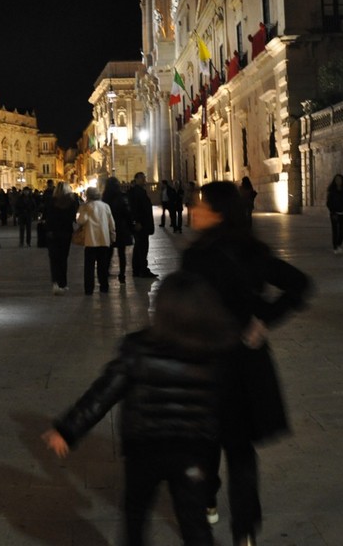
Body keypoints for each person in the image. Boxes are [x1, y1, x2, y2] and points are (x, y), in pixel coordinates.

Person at [43, 271, 242, 546]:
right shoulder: (215, 351)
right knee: (194, 521)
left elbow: (102, 394)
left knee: (136, 515)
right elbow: (228, 403)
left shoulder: (137, 348)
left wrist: (68, 430)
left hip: (144, 450)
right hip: (193, 453)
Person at [182, 181, 310, 546]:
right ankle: (245, 533)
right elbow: (299, 284)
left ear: (218, 212)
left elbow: (185, 312)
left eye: (201, 205)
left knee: (207, 446)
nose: (194, 209)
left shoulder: (196, 258)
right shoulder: (252, 251)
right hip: (242, 365)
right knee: (239, 452)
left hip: (208, 366)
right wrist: (265, 319)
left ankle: (210, 502)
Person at [76, 186, 116, 295]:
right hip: (104, 240)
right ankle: (104, 286)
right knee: (103, 265)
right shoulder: (106, 206)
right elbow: (111, 223)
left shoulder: (86, 207)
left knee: (89, 267)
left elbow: (80, 221)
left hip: (91, 241)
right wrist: (113, 236)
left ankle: (89, 289)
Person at [43, 182, 78, 295]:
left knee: (54, 258)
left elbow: (46, 216)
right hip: (66, 232)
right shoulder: (72, 202)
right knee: (63, 258)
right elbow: (74, 217)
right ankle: (63, 283)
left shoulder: (51, 201)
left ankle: (55, 282)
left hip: (52, 232)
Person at [103, 176, 134, 284]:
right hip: (121, 228)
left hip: (109, 228)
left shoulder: (104, 198)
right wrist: (131, 228)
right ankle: (122, 275)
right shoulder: (121, 197)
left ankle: (106, 271)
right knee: (122, 253)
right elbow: (127, 213)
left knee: (108, 252)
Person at [128, 172, 156, 279]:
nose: (144, 179)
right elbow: (134, 208)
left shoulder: (139, 191)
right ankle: (142, 270)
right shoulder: (136, 192)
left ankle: (138, 269)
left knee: (139, 247)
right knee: (142, 248)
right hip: (141, 225)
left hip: (143, 224)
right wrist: (137, 222)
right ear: (137, 179)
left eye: (144, 177)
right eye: (142, 178)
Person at [326, 174, 343, 254]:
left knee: (342, 231)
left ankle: (339, 245)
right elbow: (328, 203)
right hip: (334, 213)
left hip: (342, 213)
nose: (338, 181)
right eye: (337, 180)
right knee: (335, 231)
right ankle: (335, 247)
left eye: (340, 179)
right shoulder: (332, 191)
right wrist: (333, 211)